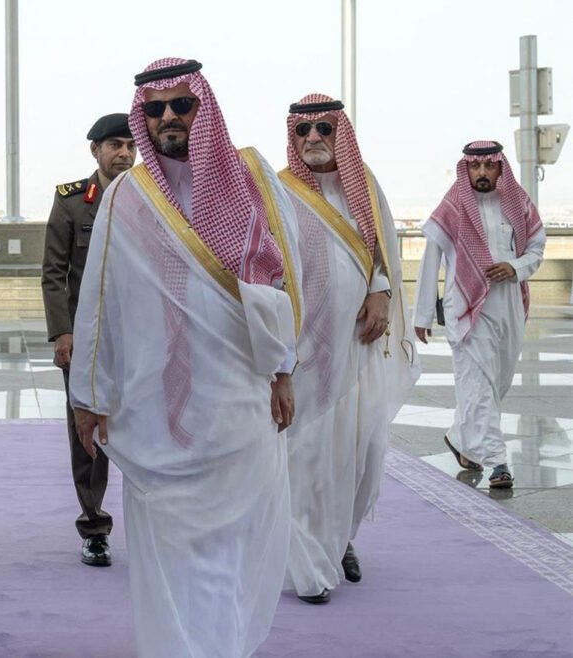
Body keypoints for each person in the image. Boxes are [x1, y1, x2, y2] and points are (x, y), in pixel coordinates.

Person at [69, 58, 301, 657]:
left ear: (204, 106)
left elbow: (286, 278)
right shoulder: (127, 195)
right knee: (170, 545)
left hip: (237, 393)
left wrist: (284, 369)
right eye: (155, 108)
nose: (168, 117)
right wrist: (88, 398)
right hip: (153, 404)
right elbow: (99, 298)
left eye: (181, 104)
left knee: (231, 542)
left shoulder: (253, 179)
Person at [279, 94, 419, 604]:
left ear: (341, 132)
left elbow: (383, 251)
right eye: (303, 130)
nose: (313, 138)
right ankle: (310, 564)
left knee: (361, 454)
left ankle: (340, 539)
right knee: (308, 454)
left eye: (324, 128)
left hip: (358, 346)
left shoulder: (365, 184)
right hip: (305, 351)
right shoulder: (281, 190)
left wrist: (380, 290)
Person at [414, 141, 545, 489]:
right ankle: (498, 462)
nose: (482, 172)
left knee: (495, 382)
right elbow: (430, 260)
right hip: (466, 308)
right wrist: (423, 314)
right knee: (478, 383)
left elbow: (537, 247)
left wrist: (515, 267)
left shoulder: (518, 203)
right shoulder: (452, 207)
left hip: (508, 304)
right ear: (466, 169)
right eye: (475, 167)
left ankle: (461, 438)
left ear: (500, 168)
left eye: (489, 166)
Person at [41, 112, 135, 567]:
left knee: (148, 428)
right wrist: (63, 333)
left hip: (140, 338)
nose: (124, 154)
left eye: (131, 146)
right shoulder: (73, 202)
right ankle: (95, 526)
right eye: (115, 145)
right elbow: (53, 273)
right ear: (95, 150)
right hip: (88, 342)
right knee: (88, 435)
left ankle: (156, 523)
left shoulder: (152, 197)